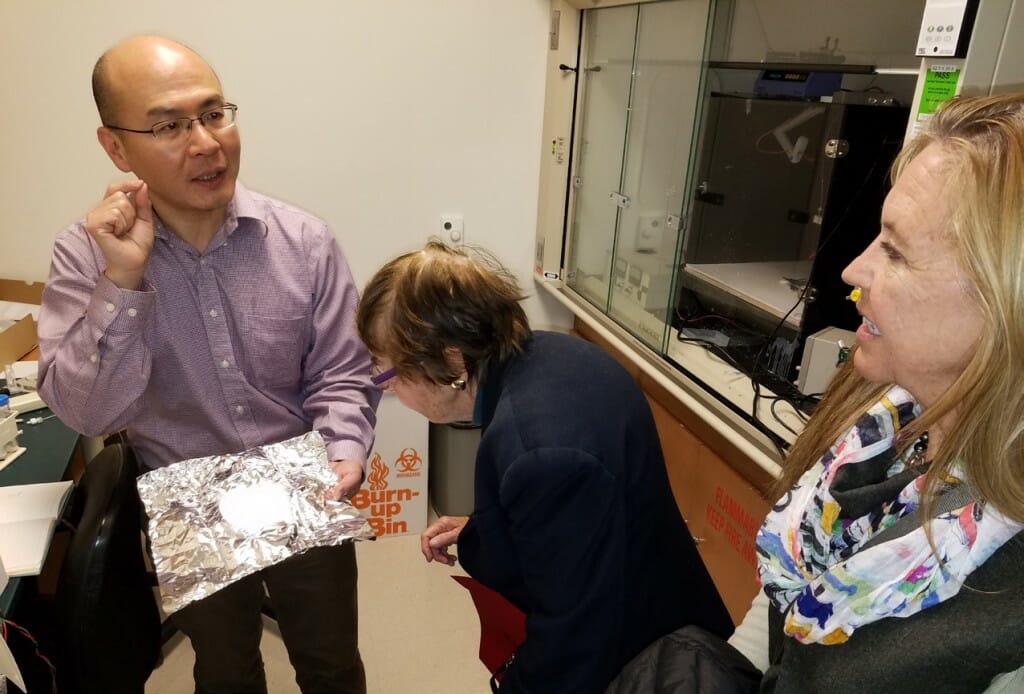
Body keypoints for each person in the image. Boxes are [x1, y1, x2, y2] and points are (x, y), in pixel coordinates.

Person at [37, 35, 379, 694]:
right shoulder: (89, 256)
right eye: (169, 126)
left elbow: (341, 369)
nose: (205, 142)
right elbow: (88, 413)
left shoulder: (302, 240)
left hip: (301, 476)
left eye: (215, 113)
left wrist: (343, 447)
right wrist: (124, 279)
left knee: (332, 663)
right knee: (225, 670)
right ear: (115, 147)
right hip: (187, 487)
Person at [355, 241, 734, 692]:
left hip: (641, 659)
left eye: (391, 375)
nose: (393, 389)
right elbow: (574, 523)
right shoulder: (553, 354)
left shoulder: (542, 452)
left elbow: (572, 637)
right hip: (653, 593)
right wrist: (488, 525)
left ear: (452, 361)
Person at [749, 92, 1024, 692]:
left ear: (1009, 306)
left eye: (895, 250)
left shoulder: (1007, 598)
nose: (853, 270)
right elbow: (784, 598)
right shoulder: (872, 407)